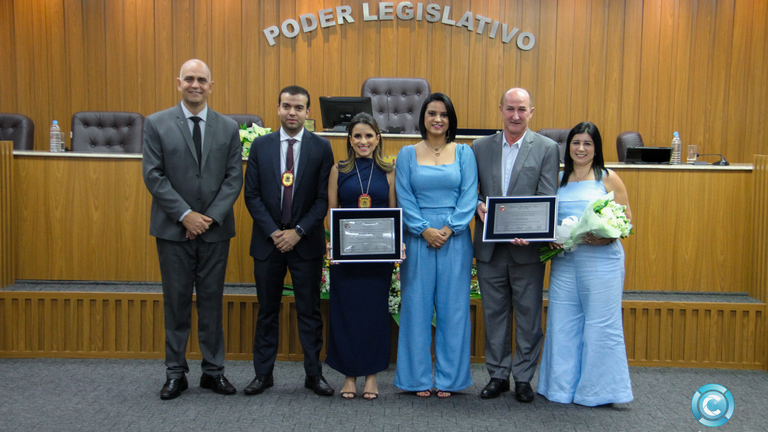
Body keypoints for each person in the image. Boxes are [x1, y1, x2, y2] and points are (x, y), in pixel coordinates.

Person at [142, 59, 243, 400]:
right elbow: (153, 176)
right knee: (176, 303)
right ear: (178, 83)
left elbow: (233, 179)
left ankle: (213, 372)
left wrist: (207, 218)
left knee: (213, 303)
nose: (195, 84)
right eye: (189, 79)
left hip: (214, 232)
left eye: (201, 79)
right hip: (173, 231)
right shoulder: (156, 124)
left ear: (211, 85)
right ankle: (175, 372)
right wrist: (186, 215)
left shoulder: (228, 128)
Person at [243, 86, 335, 396]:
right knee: (267, 311)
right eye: (286, 106)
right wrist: (274, 232)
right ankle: (263, 374)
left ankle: (313, 375)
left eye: (298, 107)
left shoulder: (321, 148)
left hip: (305, 243)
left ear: (308, 112)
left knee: (309, 311)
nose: (291, 112)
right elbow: (252, 196)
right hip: (268, 244)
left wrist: (297, 232)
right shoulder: (260, 146)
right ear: (278, 108)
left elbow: (323, 200)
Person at [537, 121, 634, 406]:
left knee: (600, 326)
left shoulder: (609, 178)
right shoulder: (558, 180)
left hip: (602, 261)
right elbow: (546, 217)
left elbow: (626, 221)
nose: (580, 148)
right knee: (562, 324)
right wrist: (550, 237)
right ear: (568, 147)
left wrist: (606, 238)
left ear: (596, 149)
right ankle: (560, 388)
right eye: (576, 143)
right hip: (566, 262)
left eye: (587, 144)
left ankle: (599, 392)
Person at [473, 88, 560, 402]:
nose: (515, 116)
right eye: (510, 109)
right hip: (490, 249)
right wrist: (477, 206)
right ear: (500, 109)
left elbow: (548, 196)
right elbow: (471, 191)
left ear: (532, 111)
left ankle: (524, 377)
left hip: (527, 249)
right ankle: (498, 375)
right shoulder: (479, 147)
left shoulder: (547, 148)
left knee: (528, 315)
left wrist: (533, 229)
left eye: (522, 109)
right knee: (494, 315)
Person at [394, 92, 478, 398]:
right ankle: (415, 379)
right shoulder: (406, 153)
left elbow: (469, 195)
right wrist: (422, 229)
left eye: (443, 114)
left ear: (450, 119)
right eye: (431, 113)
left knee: (453, 310)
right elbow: (404, 195)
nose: (437, 119)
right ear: (423, 118)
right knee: (415, 308)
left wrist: (449, 228)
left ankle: (451, 379)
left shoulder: (465, 153)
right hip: (418, 239)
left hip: (455, 239)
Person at [325, 112, 397, 401]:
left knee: (374, 315)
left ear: (378, 138)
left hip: (377, 257)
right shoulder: (338, 170)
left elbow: (393, 213)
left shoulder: (389, 171)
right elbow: (331, 213)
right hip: (347, 256)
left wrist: (396, 246)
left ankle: (372, 376)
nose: (363, 141)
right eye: (357, 136)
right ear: (350, 140)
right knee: (346, 314)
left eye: (369, 135)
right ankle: (349, 375)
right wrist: (332, 244)